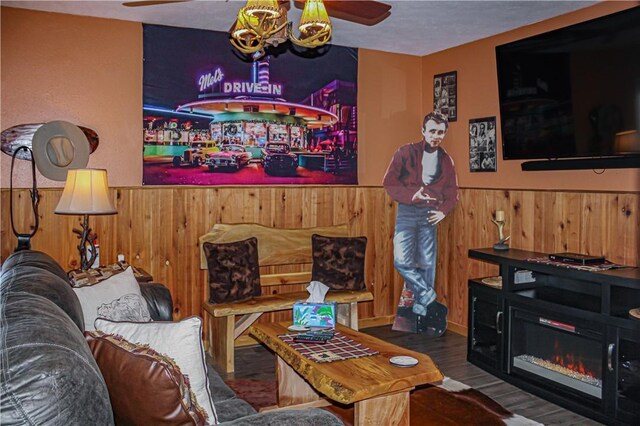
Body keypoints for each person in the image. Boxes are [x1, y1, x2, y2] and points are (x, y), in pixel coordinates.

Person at [383, 111, 459, 335]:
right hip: (407, 211)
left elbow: (453, 192)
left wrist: (443, 212)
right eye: (433, 131)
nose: (437, 136)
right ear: (423, 131)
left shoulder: (446, 160)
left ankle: (422, 310)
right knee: (401, 260)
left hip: (430, 214)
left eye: (441, 132)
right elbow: (389, 182)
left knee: (427, 263)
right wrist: (411, 195)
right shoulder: (405, 152)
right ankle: (430, 299)